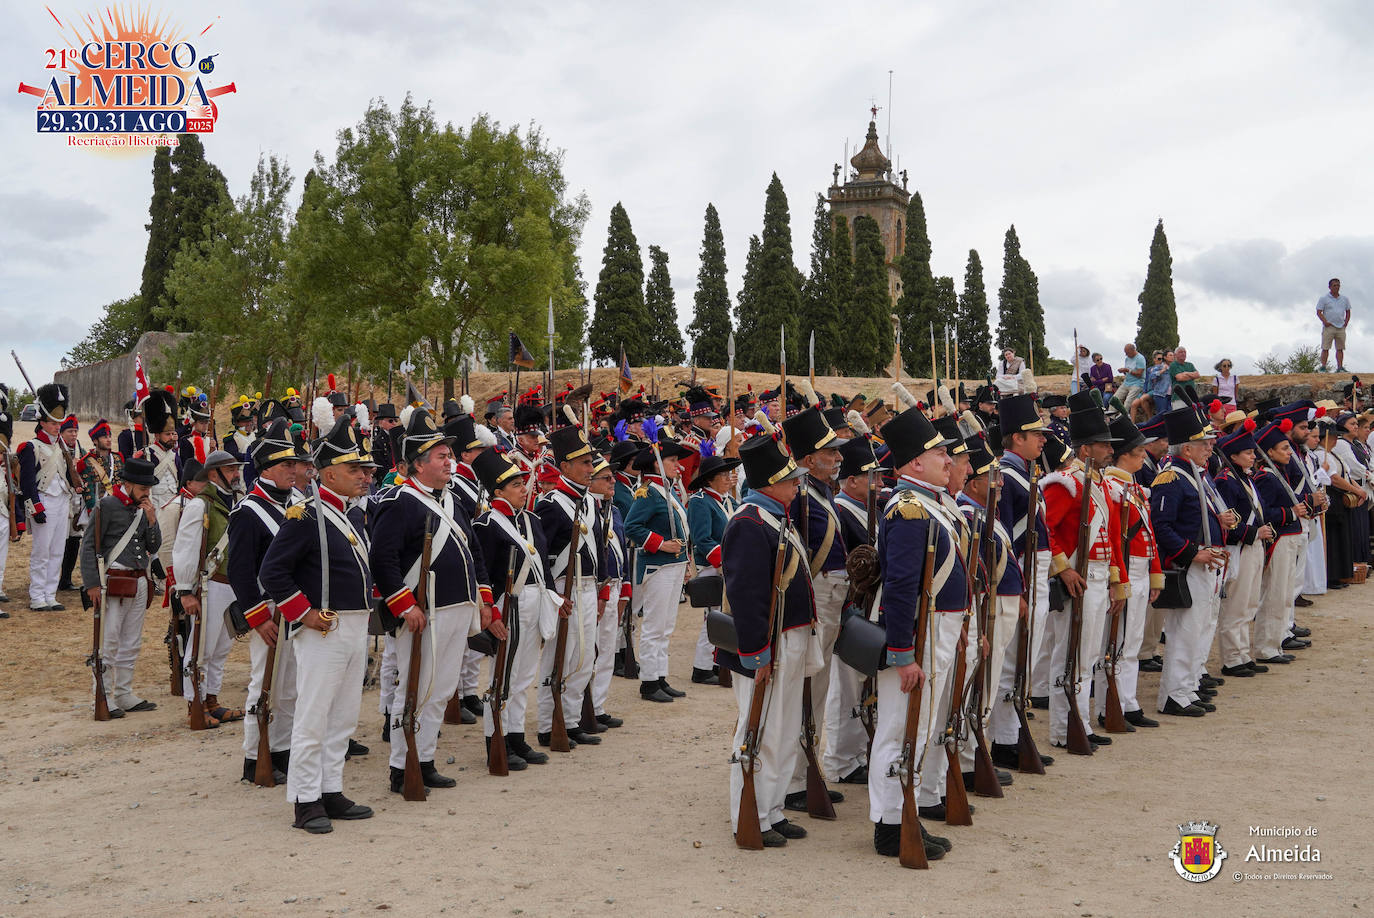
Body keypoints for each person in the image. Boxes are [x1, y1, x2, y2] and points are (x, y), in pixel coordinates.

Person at [258, 419, 378, 834]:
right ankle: (305, 799)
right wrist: (304, 613)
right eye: (354, 471)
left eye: (365, 471)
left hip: (354, 625)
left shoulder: (349, 515)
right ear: (328, 474)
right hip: (323, 628)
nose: (364, 477)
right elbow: (272, 572)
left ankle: (330, 789)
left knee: (343, 716)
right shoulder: (305, 514)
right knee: (313, 716)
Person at [371, 409, 500, 793]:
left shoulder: (452, 501)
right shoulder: (398, 501)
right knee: (414, 689)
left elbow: (473, 551)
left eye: (450, 455)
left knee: (441, 690)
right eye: (442, 457)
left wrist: (484, 598)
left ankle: (424, 759)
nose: (451, 462)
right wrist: (404, 605)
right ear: (418, 464)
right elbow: (383, 559)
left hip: (457, 610)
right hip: (423, 613)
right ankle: (401, 765)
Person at [869, 405, 960, 861]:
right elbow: (902, 587)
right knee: (900, 729)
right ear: (914, 464)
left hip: (937, 629)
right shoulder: (908, 510)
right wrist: (903, 653)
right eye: (940, 453)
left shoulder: (930, 506)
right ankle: (889, 824)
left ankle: (905, 813)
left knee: (919, 730)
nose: (949, 460)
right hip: (917, 635)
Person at [719, 433, 813, 850]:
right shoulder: (749, 522)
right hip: (767, 645)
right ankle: (750, 814)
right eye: (790, 479)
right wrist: (758, 654)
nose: (796, 484)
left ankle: (772, 810)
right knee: (760, 731)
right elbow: (746, 594)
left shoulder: (774, 515)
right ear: (770, 482)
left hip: (788, 639)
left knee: (783, 730)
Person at [1040, 391, 1126, 750]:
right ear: (1086, 449)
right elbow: (1045, 529)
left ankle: (1083, 723)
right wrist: (1062, 569)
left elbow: (1111, 537)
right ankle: (1063, 728)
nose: (1110, 451)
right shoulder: (1067, 483)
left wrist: (1116, 582)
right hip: (1078, 579)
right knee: (1070, 654)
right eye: (1104, 446)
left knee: (1087, 656)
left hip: (1098, 576)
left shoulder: (1099, 482)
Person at [228, 413, 309, 784]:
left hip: (299, 606)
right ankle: (252, 755)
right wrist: (258, 618)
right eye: (287, 463)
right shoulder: (248, 512)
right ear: (267, 467)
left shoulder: (299, 500)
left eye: (294, 463)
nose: (295, 469)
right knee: (264, 683)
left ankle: (283, 750)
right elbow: (240, 572)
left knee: (291, 685)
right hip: (271, 611)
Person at [472, 447, 555, 768]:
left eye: (523, 482)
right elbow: (483, 573)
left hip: (534, 603)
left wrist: (552, 601)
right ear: (498, 491)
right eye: (517, 485)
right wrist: (490, 613)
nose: (525, 488)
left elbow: (543, 568)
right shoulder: (486, 525)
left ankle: (516, 736)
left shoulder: (531, 520)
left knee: (523, 676)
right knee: (503, 676)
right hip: (507, 605)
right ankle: (496, 738)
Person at [1150, 409, 1233, 717]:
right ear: (1186, 448)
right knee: (1184, 632)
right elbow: (1162, 526)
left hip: (1203, 561)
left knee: (1195, 631)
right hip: (1188, 565)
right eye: (1203, 444)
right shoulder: (1171, 477)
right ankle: (1173, 695)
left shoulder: (1192, 474)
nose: (1210, 449)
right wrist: (1191, 552)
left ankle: (1185, 690)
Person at [993, 394, 1057, 756]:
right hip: (1021, 574)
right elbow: (1005, 540)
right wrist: (1014, 587)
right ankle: (1004, 739)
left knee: (1026, 660)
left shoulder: (1024, 474)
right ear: (1017, 437)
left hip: (1036, 573)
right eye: (1036, 434)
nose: (1043, 439)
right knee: (1013, 661)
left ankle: (1013, 732)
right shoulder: (1007, 477)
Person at [534, 424, 604, 747]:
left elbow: (599, 549)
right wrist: (552, 596)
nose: (591, 469)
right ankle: (548, 724)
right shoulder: (550, 505)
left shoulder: (590, 503)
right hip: (564, 589)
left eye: (591, 463)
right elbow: (541, 557)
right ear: (564, 467)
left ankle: (572, 720)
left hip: (589, 589)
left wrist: (602, 589)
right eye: (585, 463)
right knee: (557, 658)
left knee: (583, 658)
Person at [80, 456, 162, 717]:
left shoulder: (145, 508)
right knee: (110, 642)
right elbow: (89, 547)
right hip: (114, 582)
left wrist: (151, 520)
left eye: (148, 489)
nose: (146, 493)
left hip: (138, 581)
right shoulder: (106, 506)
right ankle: (100, 695)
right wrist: (92, 583)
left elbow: (153, 546)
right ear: (128, 484)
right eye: (142, 488)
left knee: (132, 641)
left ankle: (124, 693)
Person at [174, 450, 247, 728]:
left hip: (232, 586)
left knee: (221, 649)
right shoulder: (199, 505)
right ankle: (196, 704)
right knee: (200, 649)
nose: (236, 474)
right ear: (214, 474)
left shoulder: (237, 502)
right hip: (209, 586)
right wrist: (185, 591)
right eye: (230, 470)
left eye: (236, 469)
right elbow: (185, 549)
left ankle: (212, 701)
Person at [1098, 414, 1163, 729]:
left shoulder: (1132, 487)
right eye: (1139, 452)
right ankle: (1112, 704)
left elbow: (1148, 534)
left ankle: (1128, 701)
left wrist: (1154, 575)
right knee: (1119, 641)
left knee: (1132, 640)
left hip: (1139, 568)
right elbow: (1113, 538)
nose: (1143, 457)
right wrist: (1120, 580)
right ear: (1125, 454)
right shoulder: (1111, 487)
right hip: (1126, 570)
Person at [624, 432, 694, 702]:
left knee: (666, 626)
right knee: (654, 625)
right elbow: (632, 527)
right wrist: (662, 544)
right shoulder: (648, 492)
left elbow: (682, 528)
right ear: (656, 463)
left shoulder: (667, 490)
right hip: (657, 565)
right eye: (673, 460)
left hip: (673, 565)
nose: (680, 466)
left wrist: (683, 561)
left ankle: (660, 676)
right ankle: (649, 682)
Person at [1212, 422, 1274, 679]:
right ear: (1234, 456)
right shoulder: (1226, 481)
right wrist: (1252, 533)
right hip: (1239, 547)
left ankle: (1243, 654)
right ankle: (1232, 658)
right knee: (1236, 606)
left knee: (1248, 604)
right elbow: (1227, 521)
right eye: (1248, 453)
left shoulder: (1243, 477)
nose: (1253, 456)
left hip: (1254, 545)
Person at [17, 383, 77, 611]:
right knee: (41, 552)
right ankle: (37, 596)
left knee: (57, 551)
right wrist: (36, 508)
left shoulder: (62, 448)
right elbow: (28, 484)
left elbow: (67, 475)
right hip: (44, 502)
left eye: (58, 423)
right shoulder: (30, 447)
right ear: (42, 422)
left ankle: (50, 594)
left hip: (62, 502)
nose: (56, 427)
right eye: (53, 423)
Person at [686, 453, 740, 686]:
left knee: (725, 615)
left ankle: (717, 663)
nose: (729, 478)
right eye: (724, 475)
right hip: (712, 567)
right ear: (710, 479)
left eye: (730, 474)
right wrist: (724, 561)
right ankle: (702, 667)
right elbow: (702, 539)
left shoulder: (728, 501)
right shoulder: (700, 501)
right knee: (713, 616)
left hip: (729, 565)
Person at [1317, 278, 1351, 373]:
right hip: (1329, 326)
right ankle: (1323, 367)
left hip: (1341, 327)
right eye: (1334, 285)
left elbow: (1348, 311)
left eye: (1338, 285)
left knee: (1340, 348)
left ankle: (1340, 367)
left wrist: (1346, 322)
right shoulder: (1324, 298)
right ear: (1330, 287)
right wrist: (1325, 322)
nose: (1337, 287)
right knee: (1325, 347)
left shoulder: (1344, 299)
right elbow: (1319, 311)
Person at [1118, 344, 1147, 418]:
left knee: (1127, 403)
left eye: (1127, 352)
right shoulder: (1127, 358)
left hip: (1137, 383)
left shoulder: (1140, 358)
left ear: (1132, 350)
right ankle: (1110, 417)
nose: (1126, 354)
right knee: (1115, 398)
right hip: (1126, 382)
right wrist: (1123, 371)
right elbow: (1127, 371)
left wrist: (1128, 370)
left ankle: (1122, 419)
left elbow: (1139, 374)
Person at [1144, 350, 1173, 417]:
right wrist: (1162, 371)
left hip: (1171, 395)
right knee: (1162, 415)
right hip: (1160, 394)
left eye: (1173, 355)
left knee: (1170, 414)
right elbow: (1151, 376)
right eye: (1170, 355)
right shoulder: (1159, 366)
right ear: (1165, 357)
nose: (1172, 357)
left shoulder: (1173, 368)